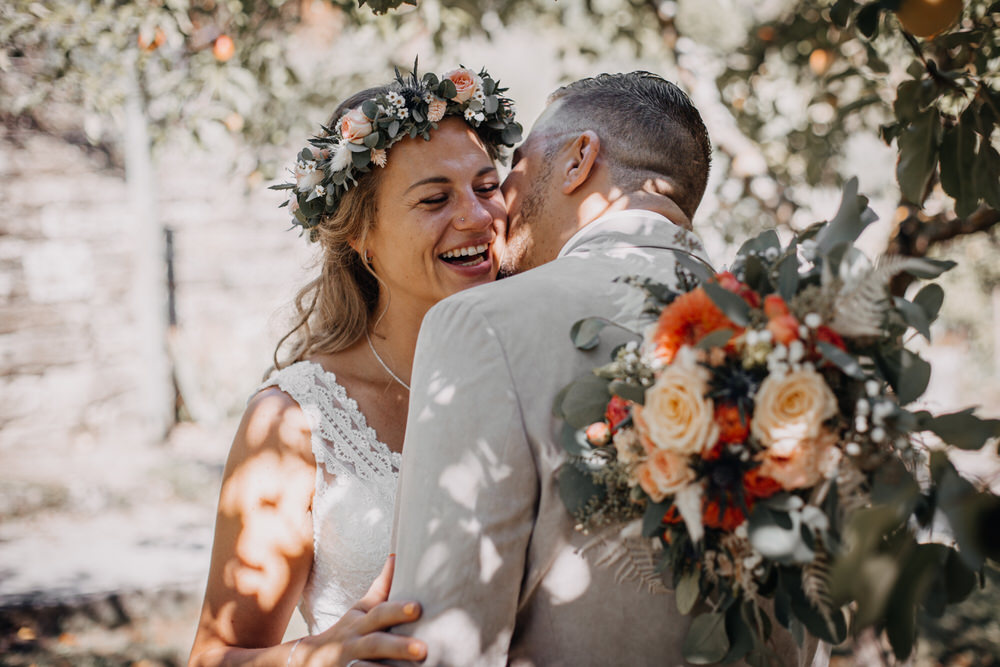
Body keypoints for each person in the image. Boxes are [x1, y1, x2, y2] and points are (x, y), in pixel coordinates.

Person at [387, 72, 827, 665]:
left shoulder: (480, 323)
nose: (502, 199)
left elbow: (441, 642)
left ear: (579, 159)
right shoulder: (798, 350)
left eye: (517, 165)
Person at [187, 66, 522, 667]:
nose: (477, 216)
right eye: (435, 198)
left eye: (486, 185)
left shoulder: (538, 371)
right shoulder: (298, 421)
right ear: (364, 235)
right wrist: (316, 654)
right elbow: (215, 656)